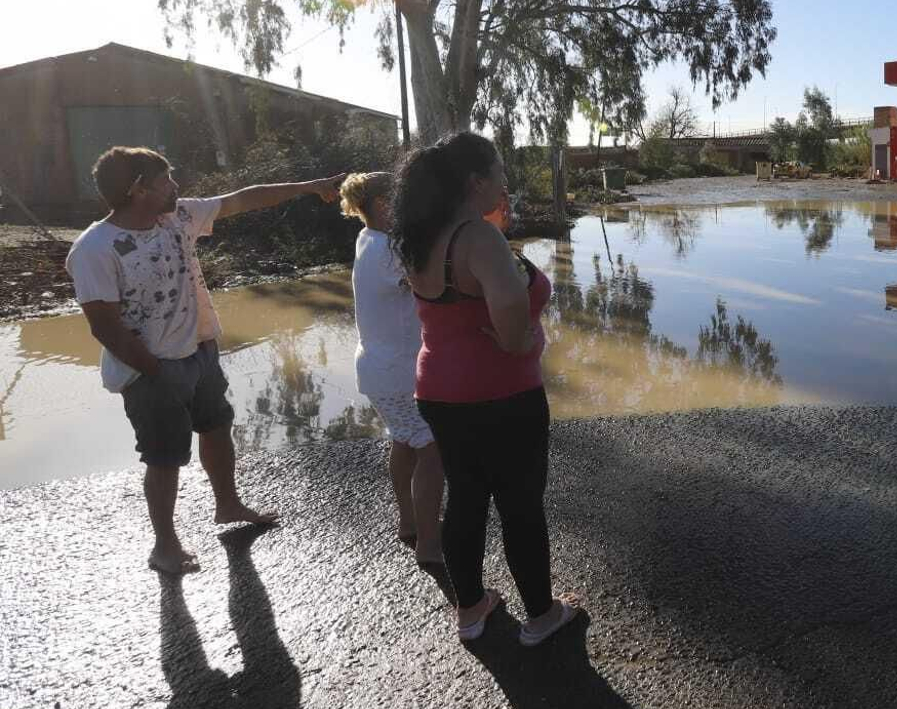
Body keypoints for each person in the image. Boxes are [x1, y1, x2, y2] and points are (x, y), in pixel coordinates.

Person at [64, 147, 344, 575]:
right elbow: (105, 327)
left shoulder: (178, 217)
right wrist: (156, 372)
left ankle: (228, 504)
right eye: (165, 180)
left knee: (216, 426)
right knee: (164, 456)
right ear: (138, 189)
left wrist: (308, 187)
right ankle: (165, 545)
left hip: (201, 350)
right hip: (149, 369)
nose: (175, 187)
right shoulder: (94, 249)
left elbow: (244, 198)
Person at [391, 132, 580, 645]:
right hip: (502, 394)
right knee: (520, 505)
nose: (505, 180)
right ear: (476, 182)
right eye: (499, 171)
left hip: (438, 391)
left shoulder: (420, 236)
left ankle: (470, 610)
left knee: (467, 499)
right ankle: (541, 617)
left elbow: (461, 298)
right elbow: (513, 321)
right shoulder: (479, 239)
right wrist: (519, 340)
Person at [339, 172, 443, 566]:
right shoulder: (389, 252)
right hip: (399, 372)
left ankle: (410, 522)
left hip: (379, 368)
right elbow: (433, 281)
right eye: (403, 197)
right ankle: (430, 543)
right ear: (384, 204)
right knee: (434, 451)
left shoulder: (369, 239)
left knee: (406, 442)